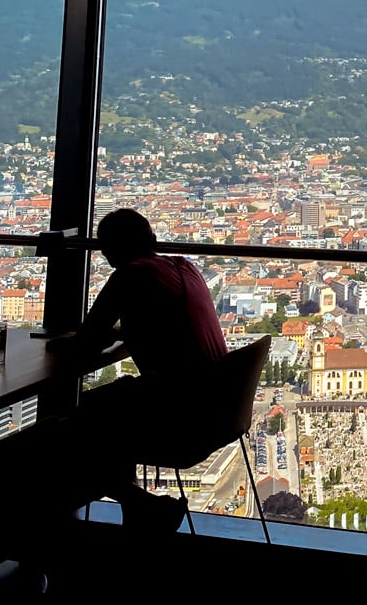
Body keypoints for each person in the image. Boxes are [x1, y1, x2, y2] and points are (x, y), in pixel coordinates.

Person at [41, 207, 229, 531]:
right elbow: (165, 324)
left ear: (108, 251)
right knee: (106, 410)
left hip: (181, 414)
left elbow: (87, 342)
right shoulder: (186, 268)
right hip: (219, 409)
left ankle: (67, 521)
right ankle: (136, 504)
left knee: (71, 426)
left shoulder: (131, 276)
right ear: (152, 239)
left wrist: (70, 343)